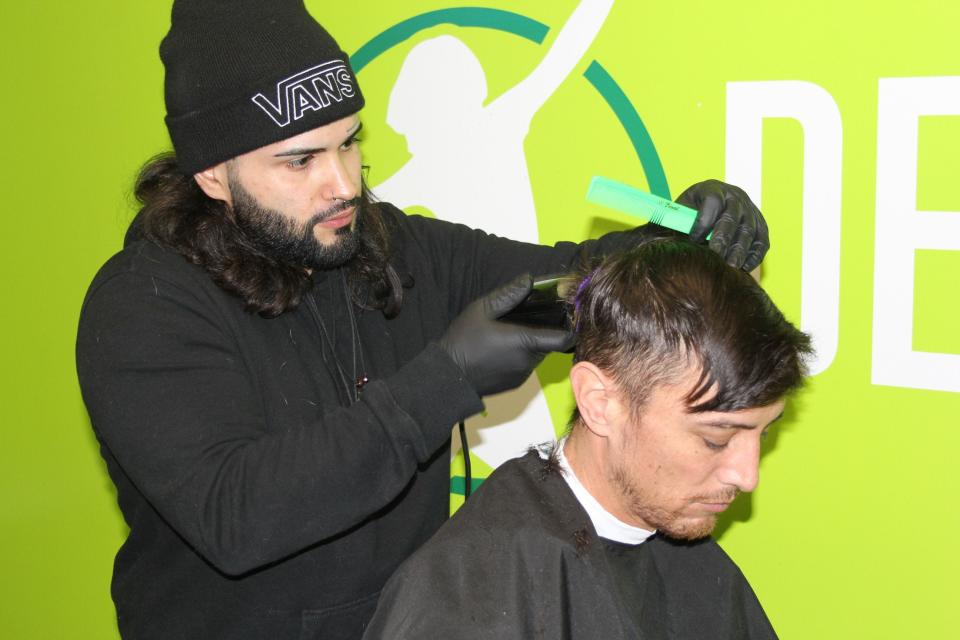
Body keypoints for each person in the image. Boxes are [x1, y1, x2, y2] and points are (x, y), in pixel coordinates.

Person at [76, 2, 770, 639]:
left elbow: (560, 289)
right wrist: (449, 377)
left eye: (349, 143)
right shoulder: (144, 305)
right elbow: (238, 515)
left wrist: (667, 245)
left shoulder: (386, 251)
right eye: (301, 161)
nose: (344, 183)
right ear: (212, 175)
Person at [363, 233, 813, 640]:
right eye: (716, 439)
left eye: (763, 434)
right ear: (600, 402)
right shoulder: (468, 596)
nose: (747, 476)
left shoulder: (691, 558)